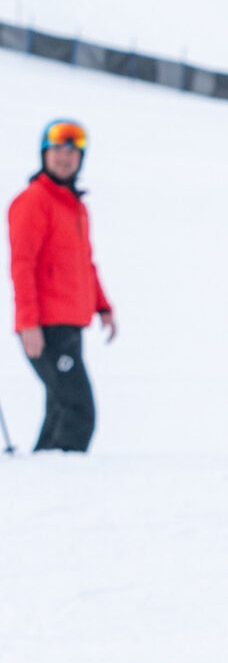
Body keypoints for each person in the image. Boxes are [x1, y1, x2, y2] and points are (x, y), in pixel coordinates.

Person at [9, 119, 116, 452]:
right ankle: (64, 482)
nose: (64, 157)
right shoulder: (33, 201)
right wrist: (28, 323)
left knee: (60, 408)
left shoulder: (75, 207)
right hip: (45, 326)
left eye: (72, 152)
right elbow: (22, 265)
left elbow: (85, 264)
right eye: (57, 150)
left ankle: (42, 477)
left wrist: (103, 307)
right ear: (44, 154)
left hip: (70, 324)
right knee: (78, 411)